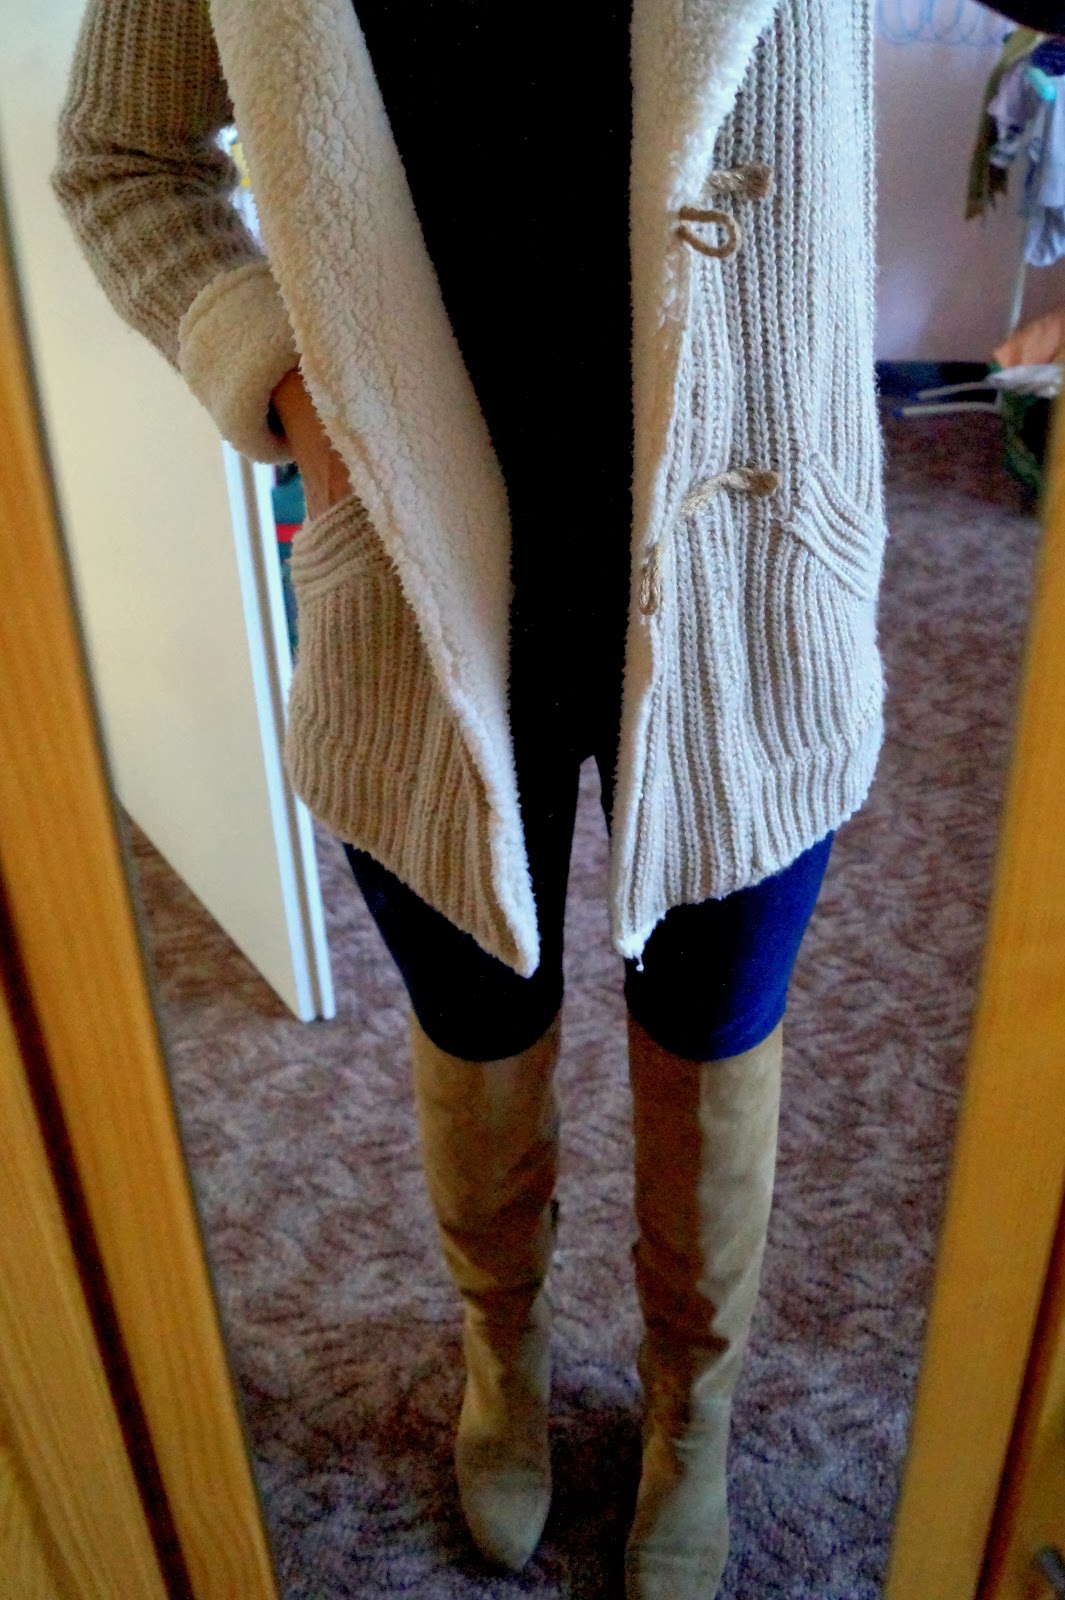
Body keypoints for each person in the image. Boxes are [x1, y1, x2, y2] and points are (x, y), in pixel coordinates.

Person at [52, 2, 886, 1593]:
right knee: (477, 1016)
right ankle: (502, 1356)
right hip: (417, 569)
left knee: (715, 1017)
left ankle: (691, 1411)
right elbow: (123, 157)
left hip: (747, 564)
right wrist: (296, 402)